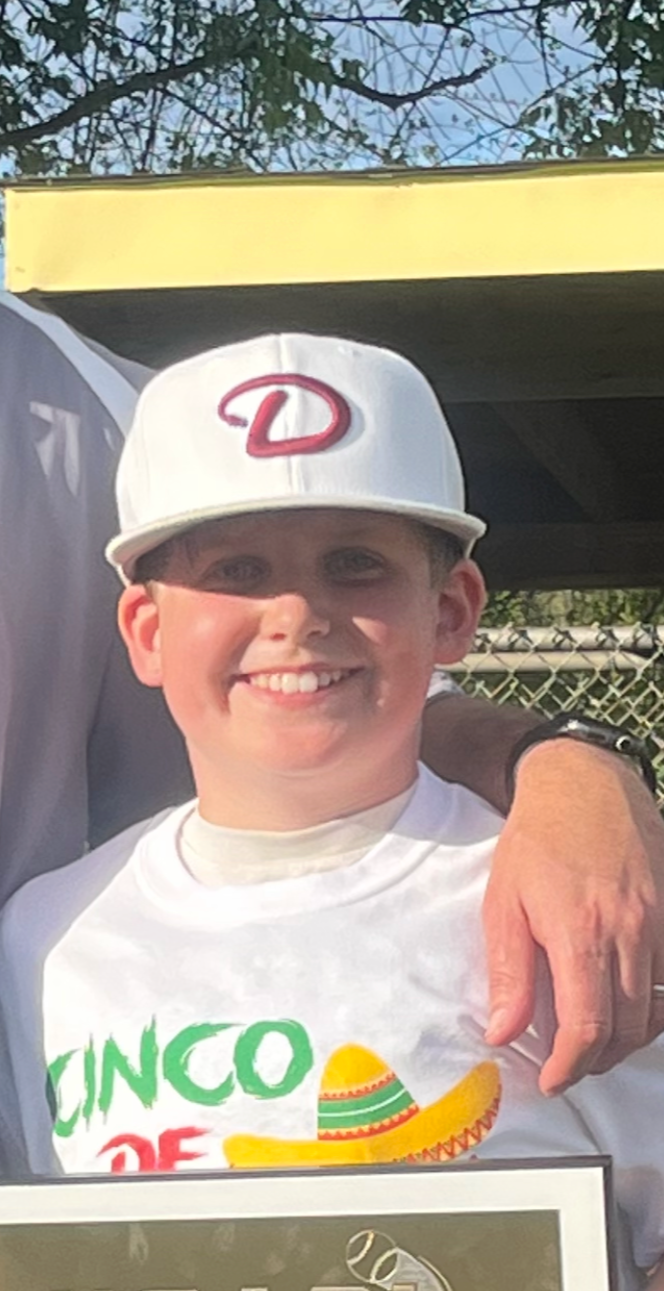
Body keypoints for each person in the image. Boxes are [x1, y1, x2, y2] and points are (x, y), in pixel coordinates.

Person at [0, 335, 661, 1289]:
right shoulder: (43, 940)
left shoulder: (571, 900)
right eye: (235, 569)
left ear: (452, 610)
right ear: (146, 631)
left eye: (355, 563)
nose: (297, 613)